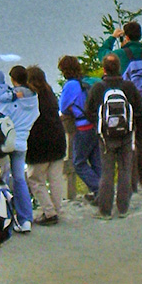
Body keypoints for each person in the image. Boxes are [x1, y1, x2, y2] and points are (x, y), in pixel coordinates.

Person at [97, 21, 142, 190]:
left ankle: (132, 183)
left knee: (127, 145)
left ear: (126, 36)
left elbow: (103, 56)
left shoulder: (120, 54)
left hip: (126, 107)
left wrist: (112, 38)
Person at [85, 54, 142, 218]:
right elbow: (140, 108)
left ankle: (105, 211)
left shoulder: (98, 87)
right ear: (119, 68)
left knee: (107, 172)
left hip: (106, 137)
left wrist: (100, 125)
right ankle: (123, 208)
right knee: (125, 170)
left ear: (104, 69)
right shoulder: (128, 86)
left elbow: (88, 110)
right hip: (126, 135)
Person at [0, 65, 38, 233]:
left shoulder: (10, 99)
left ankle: (5, 218)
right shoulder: (34, 98)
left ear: (13, 79)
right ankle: (26, 219)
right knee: (20, 179)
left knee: (3, 181)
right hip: (22, 142)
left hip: (6, 143)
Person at [24, 64, 67, 225]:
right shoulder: (50, 95)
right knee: (55, 178)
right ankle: (56, 208)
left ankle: (49, 213)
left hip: (40, 145)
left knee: (35, 179)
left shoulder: (32, 99)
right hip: (58, 140)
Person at [58, 55, 101, 200]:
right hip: (95, 124)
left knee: (79, 163)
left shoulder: (71, 85)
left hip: (82, 127)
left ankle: (100, 190)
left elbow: (63, 107)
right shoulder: (86, 81)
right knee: (96, 161)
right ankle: (101, 193)